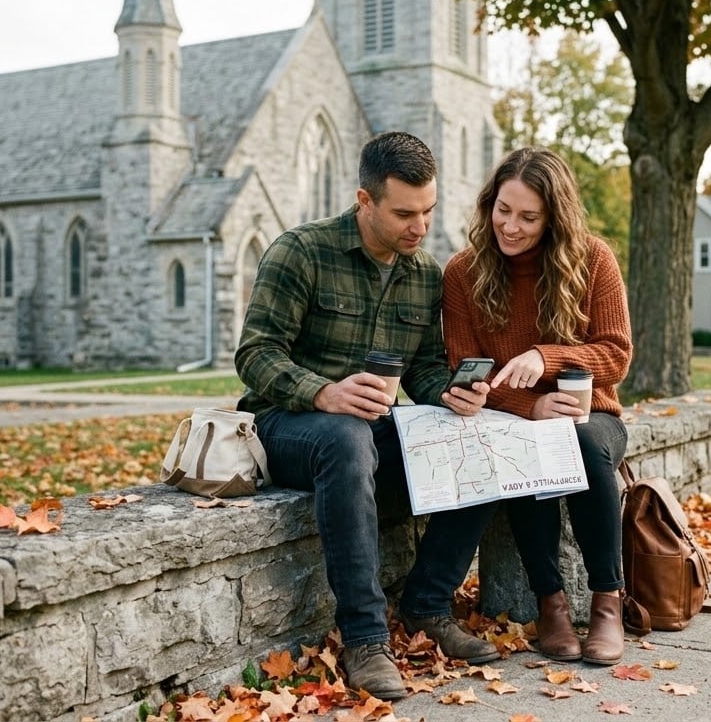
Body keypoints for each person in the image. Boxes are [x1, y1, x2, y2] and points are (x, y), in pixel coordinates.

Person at [235, 131, 499, 700]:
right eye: (404, 213)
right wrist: (323, 392)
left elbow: (426, 367)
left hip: (371, 429)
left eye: (428, 211)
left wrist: (453, 394)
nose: (420, 227)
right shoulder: (300, 251)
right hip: (286, 426)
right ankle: (365, 638)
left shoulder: (425, 274)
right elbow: (254, 355)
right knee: (347, 438)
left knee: (476, 439)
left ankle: (428, 604)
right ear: (364, 200)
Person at [398, 146, 633, 665]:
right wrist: (527, 407)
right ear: (489, 204)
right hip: (510, 418)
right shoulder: (463, 272)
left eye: (529, 217)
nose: (511, 226)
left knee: (585, 446)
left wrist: (544, 357)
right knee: (526, 449)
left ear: (555, 217)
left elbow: (615, 355)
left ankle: (606, 603)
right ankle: (551, 605)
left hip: (590, 413)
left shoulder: (593, 260)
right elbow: (466, 363)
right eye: (503, 210)